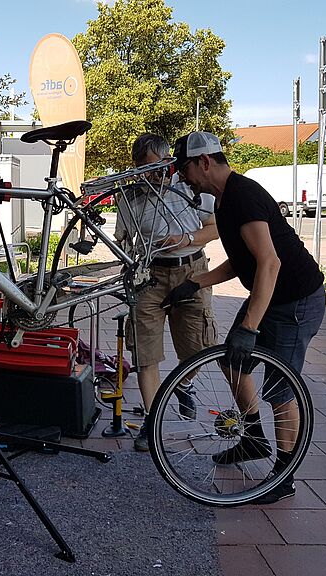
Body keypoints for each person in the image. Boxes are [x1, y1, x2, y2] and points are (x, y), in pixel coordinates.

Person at [163, 131, 326, 504]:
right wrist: (195, 283)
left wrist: (249, 327)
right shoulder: (223, 200)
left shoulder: (244, 196)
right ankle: (253, 439)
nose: (183, 177)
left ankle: (283, 477)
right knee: (233, 363)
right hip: (270, 296)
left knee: (281, 391)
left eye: (185, 168)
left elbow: (269, 263)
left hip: (296, 301)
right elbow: (243, 260)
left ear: (204, 162)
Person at [115, 133, 219, 452]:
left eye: (159, 167)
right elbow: (123, 240)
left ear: (169, 162)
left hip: (192, 270)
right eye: (145, 169)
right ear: (136, 168)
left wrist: (186, 239)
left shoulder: (190, 187)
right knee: (145, 352)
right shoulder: (128, 198)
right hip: (149, 275)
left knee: (198, 347)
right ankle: (152, 419)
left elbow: (216, 227)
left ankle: (183, 383)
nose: (154, 175)